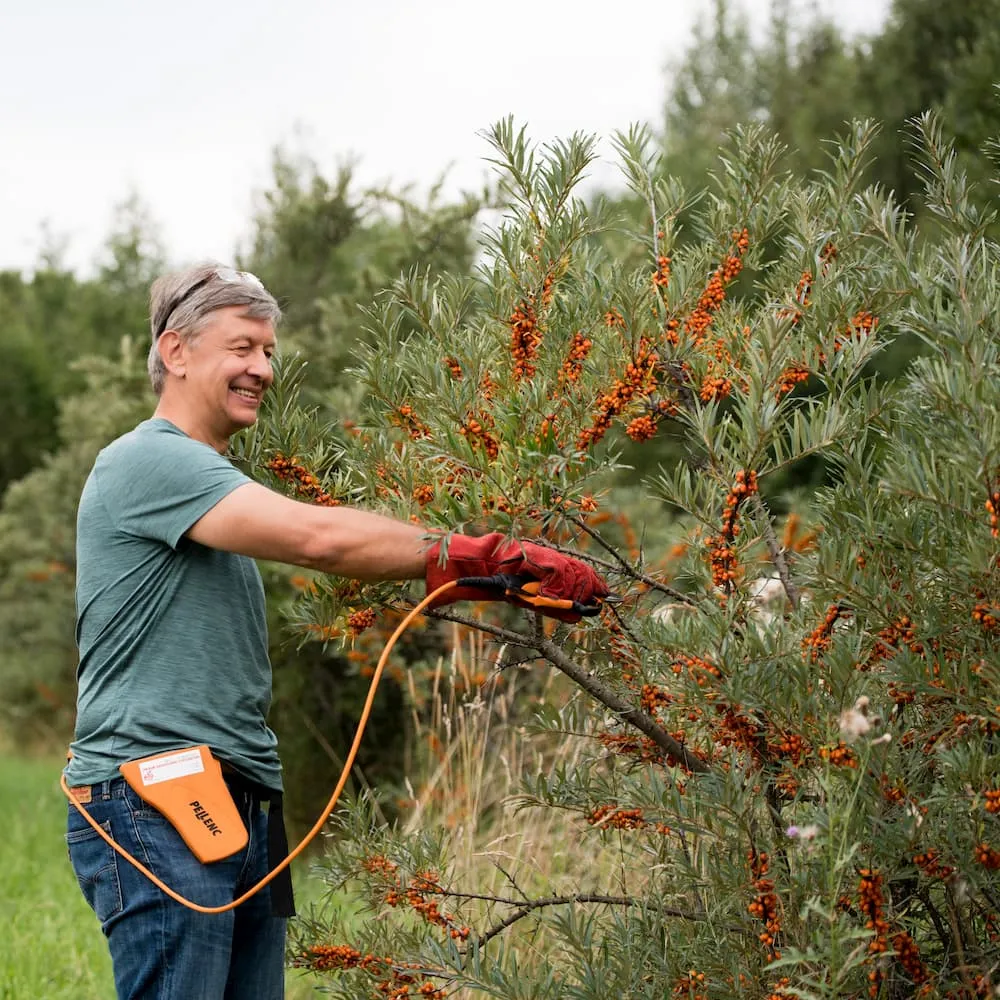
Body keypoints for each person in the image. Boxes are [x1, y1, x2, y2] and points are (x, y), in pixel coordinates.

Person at [63, 262, 608, 1000]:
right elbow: (319, 538)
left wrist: (483, 575)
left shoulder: (203, 481)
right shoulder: (148, 461)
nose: (261, 368)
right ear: (177, 351)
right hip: (154, 794)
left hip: (233, 796)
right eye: (242, 347)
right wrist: (474, 556)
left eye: (268, 352)